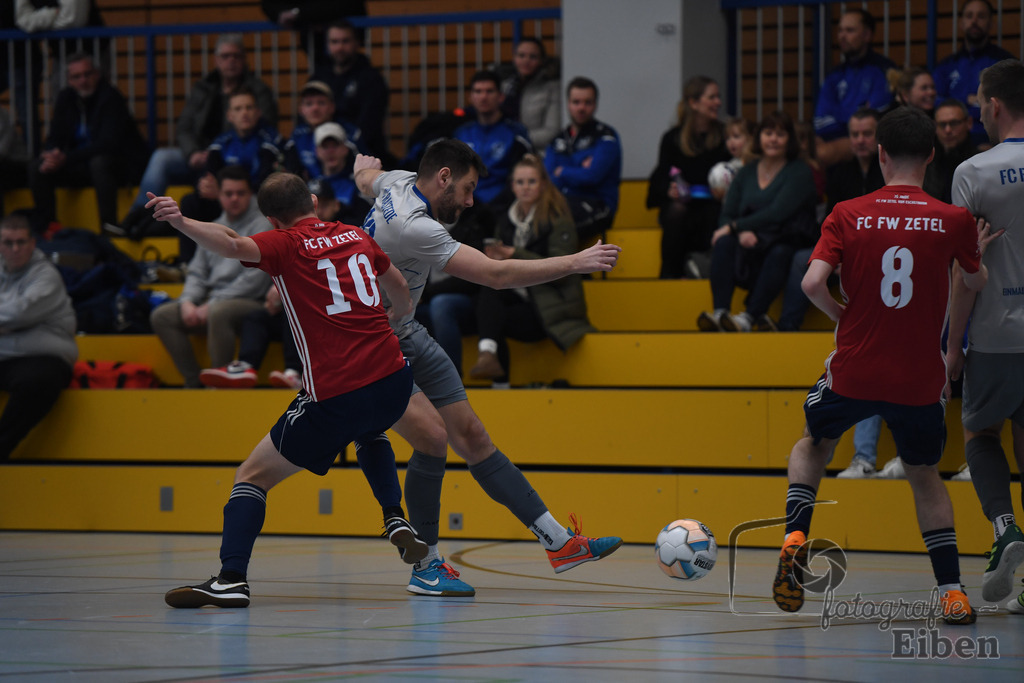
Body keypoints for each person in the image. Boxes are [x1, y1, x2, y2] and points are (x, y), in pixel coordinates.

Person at [353, 139, 623, 596]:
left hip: (406, 329)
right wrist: (575, 262)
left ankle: (560, 544)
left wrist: (363, 166)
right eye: (467, 189)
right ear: (443, 177)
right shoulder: (417, 228)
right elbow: (495, 276)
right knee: (434, 439)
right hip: (372, 345)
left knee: (473, 436)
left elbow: (366, 179)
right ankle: (426, 566)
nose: (470, 200)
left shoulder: (396, 181)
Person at [149, 171, 424, 608]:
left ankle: (231, 579)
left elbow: (231, 243)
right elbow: (400, 290)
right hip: (394, 380)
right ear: (314, 202)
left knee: (251, 476)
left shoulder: (284, 244)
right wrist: (397, 317)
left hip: (337, 392)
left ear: (272, 222)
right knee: (370, 427)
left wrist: (180, 221)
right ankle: (394, 516)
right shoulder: (354, 234)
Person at [772, 106, 990, 625]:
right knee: (923, 475)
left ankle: (795, 536)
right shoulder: (953, 219)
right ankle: (953, 593)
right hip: (918, 378)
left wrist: (841, 313)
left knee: (813, 442)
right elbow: (974, 282)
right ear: (932, 156)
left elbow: (809, 284)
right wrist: (975, 257)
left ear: (881, 155)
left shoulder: (848, 212)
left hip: (856, 368)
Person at [945, 58, 1024, 614]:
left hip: (997, 335)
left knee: (980, 434)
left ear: (994, 105)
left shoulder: (974, 172)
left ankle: (1006, 529)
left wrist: (951, 348)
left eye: (978, 102)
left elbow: (961, 270)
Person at [122, 34, 279, 224]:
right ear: (216, 60)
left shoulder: (257, 89)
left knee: (195, 200)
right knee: (161, 158)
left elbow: (261, 125)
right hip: (199, 154)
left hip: (232, 156)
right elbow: (184, 126)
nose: (231, 61)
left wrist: (216, 153)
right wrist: (193, 153)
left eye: (236, 56)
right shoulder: (203, 87)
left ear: (244, 60)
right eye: (225, 56)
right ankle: (139, 215)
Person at [469, 154, 594, 383]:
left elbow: (564, 270)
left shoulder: (558, 219)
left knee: (490, 318)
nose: (525, 188)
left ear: (544, 185)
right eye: (520, 182)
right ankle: (489, 360)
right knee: (486, 297)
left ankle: (496, 375)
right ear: (512, 187)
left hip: (550, 306)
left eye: (531, 181)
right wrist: (494, 258)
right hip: (520, 297)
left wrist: (513, 255)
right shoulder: (506, 220)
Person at [150, 166, 273, 388]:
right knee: (162, 315)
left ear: (251, 194)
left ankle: (221, 384)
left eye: (241, 193)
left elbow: (255, 280)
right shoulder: (214, 224)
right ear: (219, 195)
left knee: (218, 311)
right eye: (228, 193)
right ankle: (194, 382)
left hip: (252, 301)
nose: (234, 199)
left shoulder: (263, 225)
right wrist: (188, 301)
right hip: (213, 298)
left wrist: (211, 303)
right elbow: (197, 272)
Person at [696, 111, 817, 333]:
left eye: (780, 134)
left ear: (789, 139)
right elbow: (728, 213)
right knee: (723, 243)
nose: (773, 139)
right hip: (749, 241)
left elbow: (777, 213)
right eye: (768, 133)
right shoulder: (747, 171)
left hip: (785, 238)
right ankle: (720, 314)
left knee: (781, 252)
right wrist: (738, 232)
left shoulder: (799, 171)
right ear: (758, 138)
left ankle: (749, 317)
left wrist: (736, 227)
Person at [778, 108, 883, 333]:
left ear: (879, 137)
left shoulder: (889, 174)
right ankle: (787, 329)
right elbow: (828, 223)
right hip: (840, 253)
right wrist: (836, 256)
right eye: (855, 135)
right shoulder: (839, 173)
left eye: (867, 134)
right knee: (800, 259)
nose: (860, 140)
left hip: (879, 255)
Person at [28, 53, 149, 231]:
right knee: (37, 167)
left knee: (100, 162)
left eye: (87, 74)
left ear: (97, 75)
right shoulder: (65, 98)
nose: (83, 80)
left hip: (117, 168)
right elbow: (55, 135)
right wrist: (51, 154)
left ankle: (108, 227)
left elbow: (108, 143)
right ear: (69, 80)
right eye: (76, 77)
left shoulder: (111, 96)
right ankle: (48, 228)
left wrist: (65, 158)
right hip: (79, 165)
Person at [0, 212, 77, 460]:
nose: (14, 249)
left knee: (37, 383)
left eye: (21, 242)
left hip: (43, 356)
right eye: (8, 243)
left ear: (32, 243)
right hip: (6, 355)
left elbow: (19, 313)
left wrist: (10, 325)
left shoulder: (46, 275)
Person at [645, 76, 731, 279]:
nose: (718, 102)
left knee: (715, 212)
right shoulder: (672, 138)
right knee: (676, 211)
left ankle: (706, 270)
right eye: (712, 97)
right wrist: (669, 189)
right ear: (694, 103)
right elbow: (659, 177)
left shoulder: (725, 136)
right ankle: (670, 276)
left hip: (714, 208)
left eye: (718, 97)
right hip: (684, 209)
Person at [178, 87, 283, 237]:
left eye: (249, 107)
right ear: (229, 115)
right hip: (226, 197)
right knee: (190, 202)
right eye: (238, 109)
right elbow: (209, 175)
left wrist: (224, 193)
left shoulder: (271, 140)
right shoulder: (221, 142)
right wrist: (206, 185)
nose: (244, 113)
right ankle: (187, 260)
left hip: (257, 199)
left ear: (258, 112)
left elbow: (266, 179)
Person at [544, 77, 622, 242]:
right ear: (568, 103)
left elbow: (593, 176)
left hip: (598, 205)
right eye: (576, 102)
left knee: (558, 228)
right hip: (562, 202)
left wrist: (563, 171)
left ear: (595, 104)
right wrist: (580, 169)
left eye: (587, 102)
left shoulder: (606, 136)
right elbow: (549, 178)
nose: (581, 108)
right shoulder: (558, 140)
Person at [814, 9, 895, 167]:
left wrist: (838, 115)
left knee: (823, 153)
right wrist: (856, 112)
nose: (842, 36)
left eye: (849, 30)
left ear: (867, 35)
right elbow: (821, 122)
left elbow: (875, 117)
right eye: (840, 30)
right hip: (838, 141)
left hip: (870, 142)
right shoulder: (834, 76)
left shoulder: (884, 71)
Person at [933, 0, 1014, 147]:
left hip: (992, 139)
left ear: (991, 23)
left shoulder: (1005, 64)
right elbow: (935, 101)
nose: (974, 21)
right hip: (951, 139)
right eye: (969, 16)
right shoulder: (946, 66)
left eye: (981, 16)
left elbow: (1012, 106)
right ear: (961, 23)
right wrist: (965, 99)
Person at [312, 19, 390, 160]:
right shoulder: (319, 76)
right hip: (321, 151)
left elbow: (369, 126)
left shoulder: (371, 79)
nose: (340, 47)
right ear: (327, 45)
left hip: (363, 154)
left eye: (345, 41)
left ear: (357, 43)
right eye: (334, 42)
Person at [455, 70, 533, 212]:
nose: (483, 97)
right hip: (466, 208)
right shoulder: (461, 134)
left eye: (489, 91)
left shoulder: (516, 133)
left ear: (501, 97)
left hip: (504, 207)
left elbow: (523, 177)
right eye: (478, 91)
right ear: (470, 97)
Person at [281, 80, 365, 183]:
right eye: (309, 104)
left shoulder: (350, 134)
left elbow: (364, 172)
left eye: (321, 103)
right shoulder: (297, 135)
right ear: (301, 109)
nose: (315, 108)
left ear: (332, 107)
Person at [500, 37, 561, 151]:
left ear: (542, 60)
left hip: (536, 154)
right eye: (521, 55)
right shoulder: (506, 86)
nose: (526, 60)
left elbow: (552, 132)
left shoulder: (552, 88)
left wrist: (514, 139)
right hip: (503, 152)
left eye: (533, 57)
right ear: (514, 58)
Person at [308, 121, 370, 225]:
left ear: (345, 149)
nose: (330, 151)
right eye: (325, 146)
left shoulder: (360, 183)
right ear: (316, 151)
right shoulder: (309, 181)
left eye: (335, 145)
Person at [923, 99, 978, 204]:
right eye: (942, 124)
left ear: (969, 123)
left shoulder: (980, 162)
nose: (948, 130)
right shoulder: (925, 164)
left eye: (954, 123)